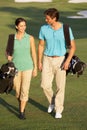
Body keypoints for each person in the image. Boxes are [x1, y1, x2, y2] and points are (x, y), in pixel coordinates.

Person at [38, 8, 76, 119]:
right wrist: (39, 61)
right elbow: (40, 45)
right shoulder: (43, 29)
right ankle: (53, 102)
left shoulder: (66, 29)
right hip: (47, 59)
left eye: (48, 18)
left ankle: (58, 110)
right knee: (44, 85)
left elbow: (73, 47)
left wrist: (67, 61)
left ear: (54, 18)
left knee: (60, 86)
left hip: (61, 60)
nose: (46, 20)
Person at [6, 17, 37, 120]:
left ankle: (21, 112)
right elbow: (8, 52)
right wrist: (8, 56)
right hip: (15, 69)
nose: (23, 27)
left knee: (25, 90)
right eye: (21, 26)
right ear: (16, 27)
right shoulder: (11, 38)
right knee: (17, 91)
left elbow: (33, 53)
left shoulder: (30, 38)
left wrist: (35, 67)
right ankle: (22, 105)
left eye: (24, 25)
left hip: (28, 67)